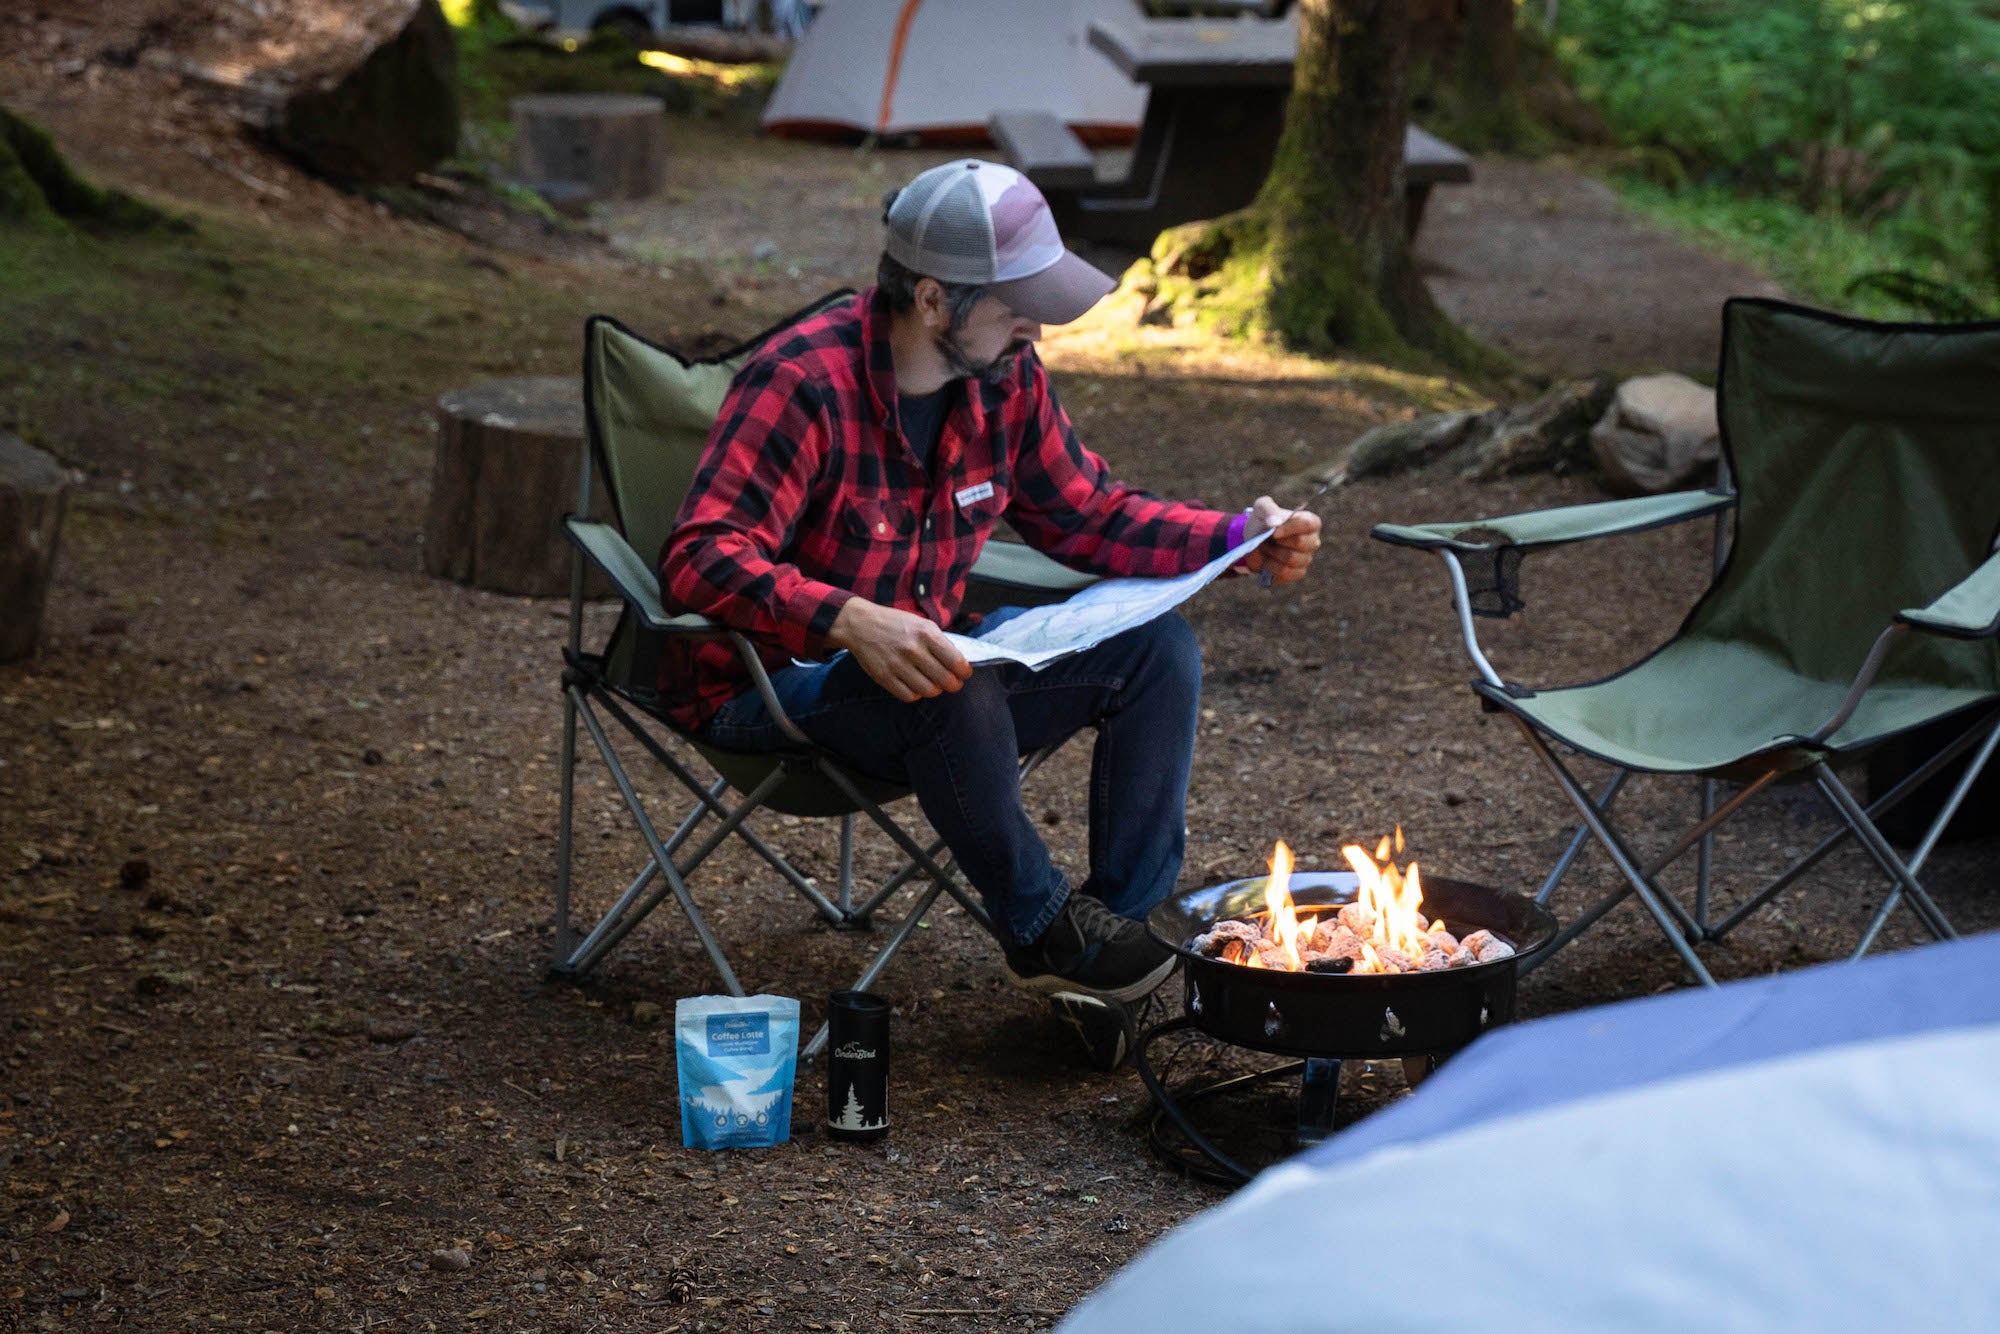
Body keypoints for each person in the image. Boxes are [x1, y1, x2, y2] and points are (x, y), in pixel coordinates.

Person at [658, 160, 1321, 1057]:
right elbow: (700, 557)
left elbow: (1089, 513)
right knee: (954, 680)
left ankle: (1118, 959)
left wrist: (1239, 535)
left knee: (1155, 649)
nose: (1036, 324)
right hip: (778, 685)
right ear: (933, 300)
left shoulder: (1005, 376)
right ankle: (1048, 930)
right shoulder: (804, 381)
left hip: (925, 667)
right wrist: (847, 618)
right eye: (1017, 303)